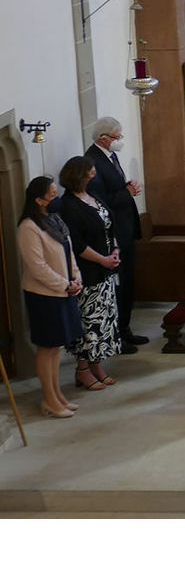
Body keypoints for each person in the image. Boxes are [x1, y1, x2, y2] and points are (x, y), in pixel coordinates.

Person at [17, 176, 83, 418]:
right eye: (52, 195)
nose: (56, 199)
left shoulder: (54, 220)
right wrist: (65, 285)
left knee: (56, 347)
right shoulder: (28, 227)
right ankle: (48, 399)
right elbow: (37, 267)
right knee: (46, 347)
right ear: (38, 200)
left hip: (63, 291)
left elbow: (68, 252)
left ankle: (57, 395)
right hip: (43, 295)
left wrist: (76, 279)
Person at [58, 156, 122, 390]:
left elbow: (108, 225)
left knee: (104, 320)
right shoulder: (68, 206)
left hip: (105, 269)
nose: (93, 176)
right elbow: (76, 243)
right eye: (89, 173)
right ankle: (82, 369)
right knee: (89, 322)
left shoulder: (93, 197)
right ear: (78, 176)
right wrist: (103, 259)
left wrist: (115, 249)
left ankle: (97, 365)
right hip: (88, 272)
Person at [85, 116, 145, 353]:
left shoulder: (110, 156)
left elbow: (115, 190)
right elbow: (100, 200)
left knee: (129, 281)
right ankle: (118, 335)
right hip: (113, 233)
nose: (120, 141)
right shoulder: (91, 161)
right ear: (103, 138)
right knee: (120, 284)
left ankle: (126, 329)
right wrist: (127, 192)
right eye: (117, 137)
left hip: (125, 228)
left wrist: (126, 187)